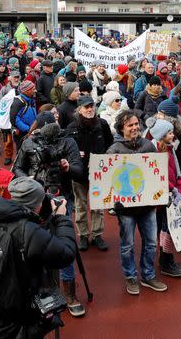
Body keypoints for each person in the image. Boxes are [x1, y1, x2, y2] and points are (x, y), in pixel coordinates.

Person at [0, 177, 76, 338]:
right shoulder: (28, 232)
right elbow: (67, 254)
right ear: (38, 205)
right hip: (15, 326)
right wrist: (62, 218)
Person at [12, 120, 86, 316]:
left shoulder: (68, 142)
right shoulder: (29, 142)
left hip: (61, 196)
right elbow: (17, 169)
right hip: (34, 199)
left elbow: (79, 173)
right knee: (32, 244)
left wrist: (67, 168)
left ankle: (69, 292)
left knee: (65, 240)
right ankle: (37, 291)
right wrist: (30, 180)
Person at [107, 110, 168, 295]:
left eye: (136, 124)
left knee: (150, 242)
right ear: (121, 128)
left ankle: (148, 275)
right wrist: (113, 202)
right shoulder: (114, 150)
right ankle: (131, 277)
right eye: (130, 125)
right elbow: (108, 182)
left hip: (148, 206)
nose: (134, 128)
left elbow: (157, 174)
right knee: (127, 244)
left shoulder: (149, 145)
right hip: (125, 208)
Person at [65, 96, 112, 252]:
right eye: (86, 107)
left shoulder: (102, 124)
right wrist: (75, 154)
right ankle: (83, 235)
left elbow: (109, 145)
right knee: (80, 205)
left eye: (92, 106)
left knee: (98, 205)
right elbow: (66, 150)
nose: (90, 109)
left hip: (99, 173)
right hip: (79, 173)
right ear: (80, 109)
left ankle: (98, 234)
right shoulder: (71, 127)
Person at [149, 119, 181, 277]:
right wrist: (173, 189)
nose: (173, 135)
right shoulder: (156, 151)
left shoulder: (169, 148)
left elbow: (177, 171)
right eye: (169, 133)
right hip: (163, 196)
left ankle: (165, 258)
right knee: (166, 228)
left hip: (172, 194)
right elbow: (158, 175)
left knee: (167, 227)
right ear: (162, 135)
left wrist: (180, 188)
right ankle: (166, 261)